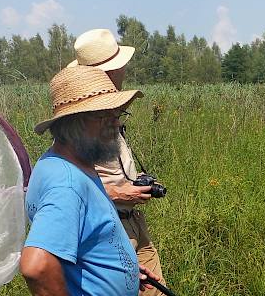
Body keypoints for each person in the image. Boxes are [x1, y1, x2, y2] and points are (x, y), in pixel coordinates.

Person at [20, 65, 160, 295]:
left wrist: (120, 268)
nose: (116, 124)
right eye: (105, 117)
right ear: (75, 122)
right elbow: (36, 266)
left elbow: (79, 240)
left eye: (118, 115)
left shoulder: (64, 162)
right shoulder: (67, 184)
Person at [68, 28, 167, 295]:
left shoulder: (107, 111)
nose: (124, 70)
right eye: (120, 65)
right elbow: (70, 188)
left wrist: (135, 187)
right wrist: (120, 192)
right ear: (110, 72)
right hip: (109, 230)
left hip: (133, 221)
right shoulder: (82, 121)